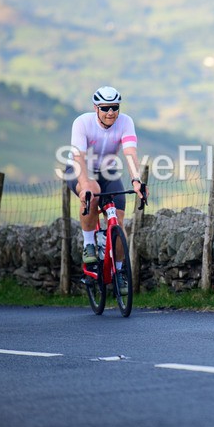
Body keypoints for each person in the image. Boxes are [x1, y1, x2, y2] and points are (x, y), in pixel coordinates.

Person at [64, 86, 146, 294]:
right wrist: (84, 187)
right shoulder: (82, 123)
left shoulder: (125, 122)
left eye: (115, 107)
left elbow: (129, 152)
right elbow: (78, 158)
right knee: (92, 190)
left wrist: (137, 181)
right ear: (96, 108)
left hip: (108, 171)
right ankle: (89, 244)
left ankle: (119, 272)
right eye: (105, 108)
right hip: (80, 168)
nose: (111, 112)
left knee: (118, 220)